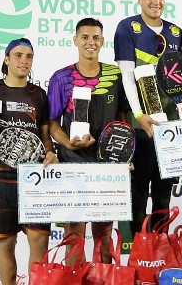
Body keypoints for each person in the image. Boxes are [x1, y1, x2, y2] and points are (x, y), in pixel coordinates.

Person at [0, 38, 58, 285]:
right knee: (6, 241)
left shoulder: (39, 94)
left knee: (38, 241)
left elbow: (45, 132)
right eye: (18, 55)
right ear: (6, 59)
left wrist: (49, 151)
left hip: (34, 179)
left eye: (29, 56)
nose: (24, 61)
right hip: (0, 178)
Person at [47, 18, 128, 263]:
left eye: (95, 37)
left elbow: (122, 117)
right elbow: (51, 122)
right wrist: (69, 143)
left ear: (102, 41)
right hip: (73, 160)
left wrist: (124, 154)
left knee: (104, 233)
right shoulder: (61, 78)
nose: (90, 42)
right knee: (74, 233)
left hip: (107, 163)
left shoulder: (115, 75)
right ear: (75, 40)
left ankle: (104, 277)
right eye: (85, 37)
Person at [114, 0, 182, 235]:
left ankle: (159, 254)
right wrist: (138, 114)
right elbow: (126, 75)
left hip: (169, 125)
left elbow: (177, 78)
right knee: (138, 193)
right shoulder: (127, 27)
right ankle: (138, 256)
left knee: (162, 196)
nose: (155, 2)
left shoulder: (176, 32)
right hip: (140, 124)